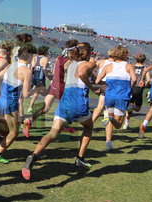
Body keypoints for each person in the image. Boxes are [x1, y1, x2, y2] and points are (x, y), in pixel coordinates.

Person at [22, 42, 100, 181]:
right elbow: (82, 73)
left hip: (64, 102)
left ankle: (34, 155)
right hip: (78, 101)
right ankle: (80, 158)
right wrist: (93, 88)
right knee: (88, 127)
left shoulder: (70, 64)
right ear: (87, 53)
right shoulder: (88, 64)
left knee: (52, 133)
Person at [0, 43, 36, 164]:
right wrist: (38, 89)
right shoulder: (26, 71)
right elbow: (26, 94)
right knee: (14, 132)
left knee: (7, 130)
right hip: (10, 102)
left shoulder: (11, 65)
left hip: (1, 100)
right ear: (30, 56)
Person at [24, 39, 80, 137]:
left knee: (45, 109)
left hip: (53, 84)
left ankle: (29, 121)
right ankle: (65, 125)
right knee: (68, 107)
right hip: (62, 87)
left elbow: (54, 71)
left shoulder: (60, 57)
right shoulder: (70, 61)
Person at [95, 46, 136, 151]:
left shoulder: (108, 66)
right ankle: (109, 117)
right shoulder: (129, 66)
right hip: (122, 96)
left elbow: (97, 81)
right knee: (118, 125)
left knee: (109, 122)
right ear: (125, 54)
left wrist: (106, 83)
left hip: (109, 96)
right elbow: (134, 79)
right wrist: (130, 87)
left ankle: (108, 144)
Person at [123, 54, 148, 129]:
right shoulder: (145, 68)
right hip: (139, 87)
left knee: (129, 106)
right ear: (144, 60)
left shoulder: (131, 66)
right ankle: (132, 107)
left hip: (130, 87)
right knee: (137, 108)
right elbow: (149, 79)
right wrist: (144, 86)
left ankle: (126, 123)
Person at [27, 45, 49, 114]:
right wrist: (46, 76)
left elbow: (33, 66)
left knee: (37, 93)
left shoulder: (35, 58)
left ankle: (30, 107)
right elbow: (44, 68)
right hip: (40, 77)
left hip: (35, 76)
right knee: (45, 93)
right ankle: (35, 91)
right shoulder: (45, 58)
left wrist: (31, 73)